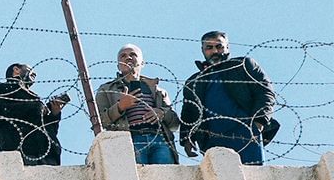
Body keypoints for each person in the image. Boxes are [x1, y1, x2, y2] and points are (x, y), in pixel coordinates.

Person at [179, 30, 276, 165]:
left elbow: (265, 92)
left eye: (219, 46)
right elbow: (189, 111)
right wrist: (187, 139)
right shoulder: (194, 81)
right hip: (212, 138)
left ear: (227, 48)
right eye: (209, 48)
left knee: (253, 177)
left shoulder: (242, 66)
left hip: (245, 132)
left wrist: (259, 121)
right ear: (202, 50)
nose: (215, 51)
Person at [94, 45, 180, 165]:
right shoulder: (107, 90)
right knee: (136, 179)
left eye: (133, 54)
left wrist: (162, 113)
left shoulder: (157, 91)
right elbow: (99, 122)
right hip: (130, 140)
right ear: (118, 66)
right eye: (123, 56)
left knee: (165, 179)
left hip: (159, 139)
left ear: (142, 63)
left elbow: (175, 123)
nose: (128, 57)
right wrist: (120, 106)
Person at [0, 62, 68, 166]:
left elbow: (48, 128)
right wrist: (37, 108)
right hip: (20, 152)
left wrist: (54, 113)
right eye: (30, 69)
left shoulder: (34, 98)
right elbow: (1, 113)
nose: (35, 74)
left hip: (46, 154)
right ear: (16, 69)